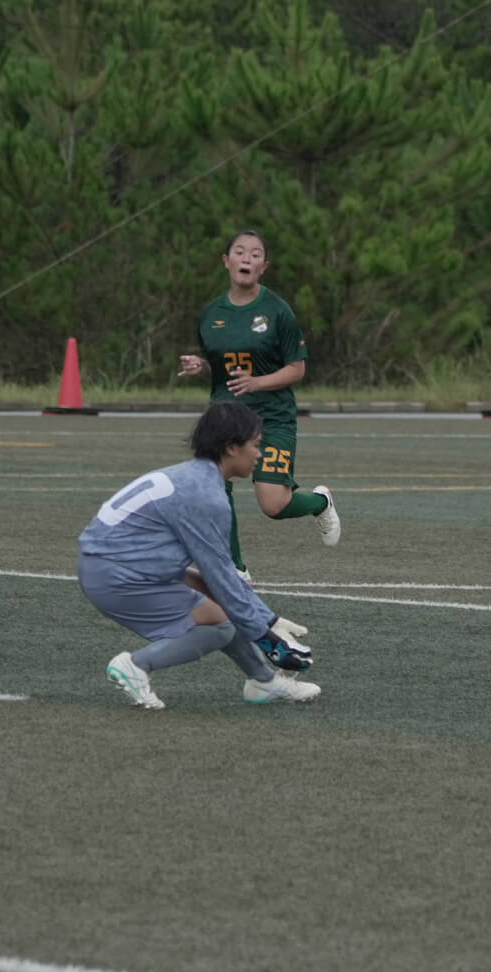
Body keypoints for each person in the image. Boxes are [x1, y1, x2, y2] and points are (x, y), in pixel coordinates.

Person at [78, 402, 320, 708]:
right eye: (256, 445)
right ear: (231, 447)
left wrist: (267, 619)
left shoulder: (192, 477)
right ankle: (136, 665)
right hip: (117, 575)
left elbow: (217, 582)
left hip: (112, 565)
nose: (259, 454)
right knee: (220, 625)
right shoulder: (205, 496)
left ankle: (263, 682)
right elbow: (222, 579)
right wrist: (268, 638)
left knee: (222, 610)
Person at [176, 229, 340, 577]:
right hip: (227, 417)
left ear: (263, 266)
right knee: (216, 485)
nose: (246, 258)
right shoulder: (211, 314)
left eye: (255, 254)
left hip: (272, 417)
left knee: (273, 504)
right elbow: (222, 368)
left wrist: (257, 383)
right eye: (239, 252)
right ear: (226, 261)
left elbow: (297, 369)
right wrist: (201, 367)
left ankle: (320, 502)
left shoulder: (278, 311)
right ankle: (236, 570)